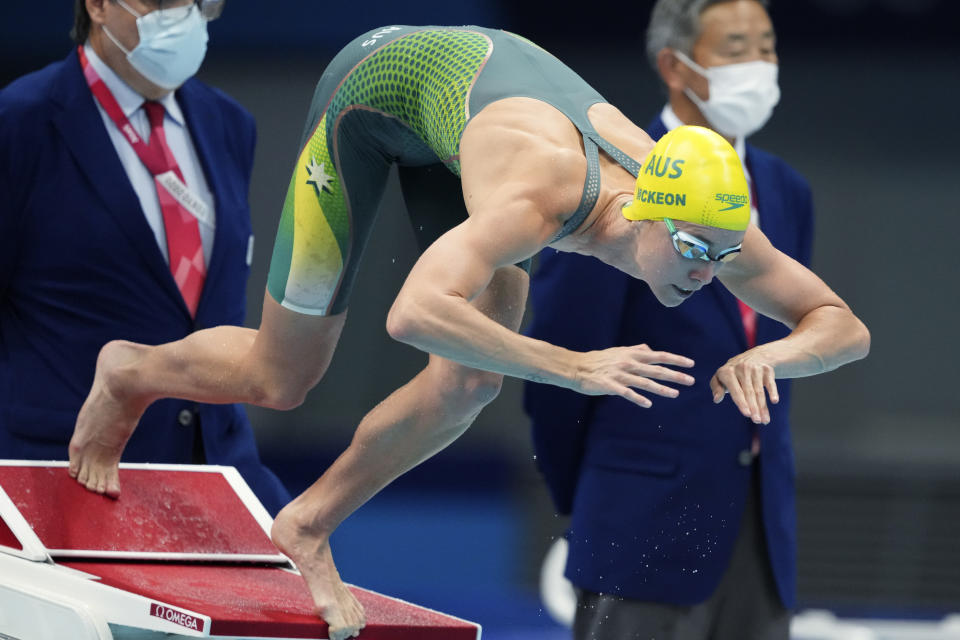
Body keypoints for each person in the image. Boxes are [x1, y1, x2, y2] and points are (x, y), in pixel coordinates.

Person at [65, 25, 869, 640]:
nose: (705, 272)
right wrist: (574, 368)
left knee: (472, 380)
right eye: (694, 251)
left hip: (466, 130)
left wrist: (771, 353)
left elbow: (841, 325)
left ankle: (305, 524)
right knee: (283, 378)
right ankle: (129, 370)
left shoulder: (707, 219)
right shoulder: (541, 198)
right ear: (646, 213)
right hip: (375, 96)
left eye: (723, 257)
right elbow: (412, 313)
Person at [524, 1, 815, 638]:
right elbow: (559, 367)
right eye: (737, 47)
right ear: (674, 67)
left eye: (767, 46)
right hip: (639, 527)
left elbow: (799, 331)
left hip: (760, 533)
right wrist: (601, 503)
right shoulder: (609, 182)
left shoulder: (786, 188)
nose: (760, 65)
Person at [0, 0, 290, 515]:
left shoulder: (229, 124)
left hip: (219, 470)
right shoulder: (18, 123)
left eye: (199, 3)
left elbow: (207, 304)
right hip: (66, 472)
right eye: (162, 2)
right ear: (98, 5)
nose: (185, 17)